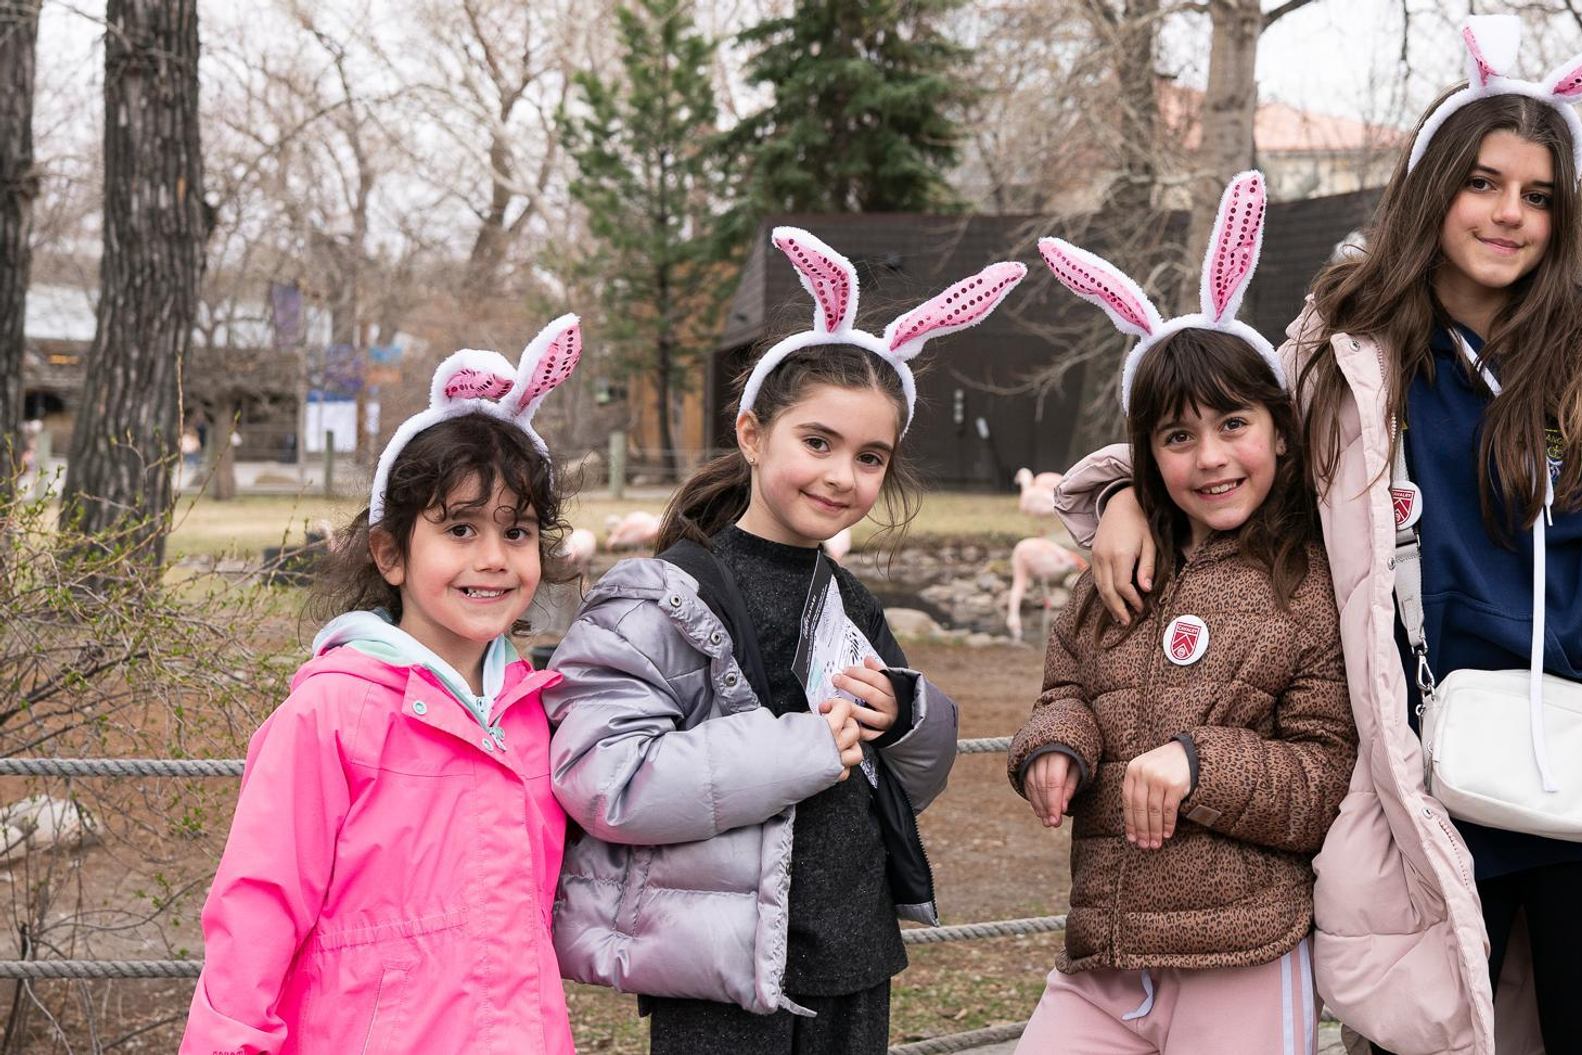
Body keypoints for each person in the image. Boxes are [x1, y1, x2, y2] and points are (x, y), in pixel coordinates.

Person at [1054, 14, 1582, 1055]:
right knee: (1422, 1039)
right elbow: (1214, 436)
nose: (1510, 214)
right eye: (1483, 183)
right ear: (1433, 188)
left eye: (1538, 194)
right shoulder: (1343, 358)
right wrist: (1127, 496)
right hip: (1421, 783)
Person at [544, 228, 1023, 1055]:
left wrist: (908, 715)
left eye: (871, 457)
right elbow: (607, 780)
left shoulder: (851, 600)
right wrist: (799, 747)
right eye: (818, 443)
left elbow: (910, 781)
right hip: (725, 970)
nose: (843, 476)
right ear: (753, 433)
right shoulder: (659, 599)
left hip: (855, 952)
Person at [1008, 171, 1357, 1055]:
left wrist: (1202, 763)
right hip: (1102, 960)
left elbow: (1327, 783)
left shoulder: (1315, 584)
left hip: (1246, 955)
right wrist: (1056, 745)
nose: (1210, 457)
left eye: (1232, 423)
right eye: (1175, 437)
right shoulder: (1117, 568)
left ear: (1278, 427)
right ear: (1145, 454)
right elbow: (1067, 688)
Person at [181, 315, 587, 1054]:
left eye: (517, 530)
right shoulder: (332, 713)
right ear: (391, 553)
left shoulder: (536, 715)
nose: (493, 557)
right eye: (460, 530)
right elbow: (256, 915)